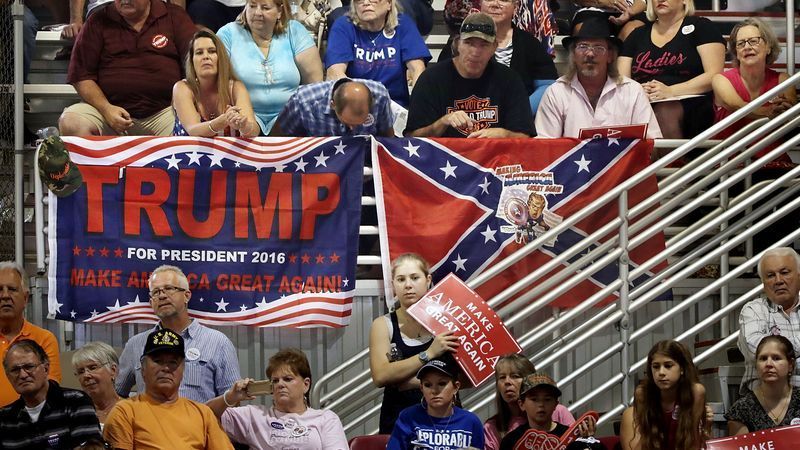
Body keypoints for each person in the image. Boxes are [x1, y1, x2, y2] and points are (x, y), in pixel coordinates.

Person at [59, 0, 195, 136]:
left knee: (194, 126)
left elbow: (196, 64)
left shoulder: (175, 16)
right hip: (108, 112)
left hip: (165, 112)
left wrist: (183, 97)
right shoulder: (98, 20)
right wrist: (106, 108)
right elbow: (81, 76)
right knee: (71, 122)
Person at [116, 265, 241, 403]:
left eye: (169, 288)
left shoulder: (218, 342)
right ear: (151, 302)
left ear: (186, 296)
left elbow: (233, 400)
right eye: (156, 292)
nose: (162, 296)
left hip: (200, 418)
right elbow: (116, 393)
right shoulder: (135, 344)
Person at [369, 253, 460, 433]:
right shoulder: (383, 324)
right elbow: (381, 375)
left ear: (428, 280)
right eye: (401, 279)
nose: (408, 285)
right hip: (398, 422)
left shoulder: (449, 320)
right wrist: (429, 354)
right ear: (393, 285)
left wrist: (411, 382)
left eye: (415, 278)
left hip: (446, 422)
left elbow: (468, 377)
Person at [405, 12, 534, 138]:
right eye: (469, 43)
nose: (475, 52)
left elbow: (524, 135)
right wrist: (443, 122)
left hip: (494, 152)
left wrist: (503, 134)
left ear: (494, 47)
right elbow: (412, 137)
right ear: (457, 44)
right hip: (444, 152)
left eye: (484, 45)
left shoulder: (509, 80)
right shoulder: (431, 79)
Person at [104, 329, 234, 449]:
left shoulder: (203, 414)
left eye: (173, 362)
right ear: (143, 368)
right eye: (158, 361)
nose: (166, 368)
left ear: (183, 370)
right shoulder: (124, 412)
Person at [536, 17, 661, 139]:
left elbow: (652, 143)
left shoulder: (633, 92)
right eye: (583, 46)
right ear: (573, 54)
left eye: (598, 48)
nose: (590, 54)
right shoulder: (556, 92)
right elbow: (545, 146)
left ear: (610, 56)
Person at [618, 0, 725, 140]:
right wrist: (638, 91)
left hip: (692, 102)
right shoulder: (637, 35)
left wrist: (670, 91)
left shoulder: (702, 27)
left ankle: (675, 156)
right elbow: (621, 80)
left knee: (665, 110)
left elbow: (714, 75)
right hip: (644, 101)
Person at [206, 348, 349, 449]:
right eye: (275, 380)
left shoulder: (326, 419)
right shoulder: (254, 416)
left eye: (287, 379)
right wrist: (230, 397)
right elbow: (203, 415)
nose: (280, 384)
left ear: (306, 385)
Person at [217, 0, 323, 134]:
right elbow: (216, 82)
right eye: (252, 6)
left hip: (291, 120)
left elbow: (314, 85)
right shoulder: (228, 33)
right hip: (242, 120)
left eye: (265, 8)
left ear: (280, 11)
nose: (257, 12)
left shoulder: (295, 31)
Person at [438, 0, 559, 116]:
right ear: (480, 3)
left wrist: (519, 112)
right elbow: (440, 84)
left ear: (516, 6)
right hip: (466, 118)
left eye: (504, 0)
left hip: (518, 121)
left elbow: (546, 85)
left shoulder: (530, 44)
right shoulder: (459, 42)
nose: (495, 4)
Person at [712, 18, 796, 161]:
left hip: (772, 161)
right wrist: (769, 112)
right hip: (729, 165)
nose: (747, 47)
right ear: (736, 52)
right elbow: (737, 106)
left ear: (768, 47)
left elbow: (790, 116)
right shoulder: (721, 80)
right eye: (740, 43)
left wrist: (786, 111)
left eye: (753, 41)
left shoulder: (783, 80)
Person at [325, 0, 431, 108]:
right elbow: (335, 74)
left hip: (395, 106)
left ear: (389, 4)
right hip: (356, 105)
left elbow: (417, 69)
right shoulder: (343, 25)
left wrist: (418, 108)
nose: (366, 2)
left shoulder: (403, 24)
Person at [0, 340, 102, 449]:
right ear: (8, 376)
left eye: (29, 367)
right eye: (15, 370)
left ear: (46, 368)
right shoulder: (4, 418)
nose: (23, 375)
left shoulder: (76, 402)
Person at [620, 340, 707, 450]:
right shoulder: (642, 393)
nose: (661, 372)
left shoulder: (696, 392)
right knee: (628, 414)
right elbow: (643, 443)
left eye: (668, 366)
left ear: (682, 369)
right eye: (656, 367)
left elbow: (692, 443)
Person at [172, 30, 260, 137]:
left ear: (220, 57)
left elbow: (254, 130)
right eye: (199, 52)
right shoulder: (182, 88)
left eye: (212, 51)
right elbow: (193, 130)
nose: (206, 56)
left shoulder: (235, 87)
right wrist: (222, 121)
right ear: (192, 61)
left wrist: (243, 125)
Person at [387, 355, 485, 450]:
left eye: (442, 383)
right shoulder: (408, 418)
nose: (434, 391)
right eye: (428, 385)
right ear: (421, 388)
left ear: (456, 387)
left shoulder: (471, 421)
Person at [738, 248, 800, 392]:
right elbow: (758, 351)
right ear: (763, 282)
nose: (778, 281)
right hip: (765, 399)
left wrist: (780, 350)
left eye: (785, 273)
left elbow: (771, 352)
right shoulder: (754, 310)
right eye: (771, 275)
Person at [0, 261, 61, 407]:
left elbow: (50, 391)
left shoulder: (44, 339)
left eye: (12, 289)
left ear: (26, 298)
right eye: (0, 289)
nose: (5, 295)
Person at [485, 354, 576, 450]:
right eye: (502, 377)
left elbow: (575, 441)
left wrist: (585, 435)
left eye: (515, 376)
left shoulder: (558, 411)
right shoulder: (492, 426)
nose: (507, 382)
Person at [499, 372, 601, 450]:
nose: (541, 404)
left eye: (547, 399)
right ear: (521, 404)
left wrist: (589, 443)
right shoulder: (511, 441)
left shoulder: (572, 437)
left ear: (556, 404)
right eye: (534, 399)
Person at [726, 335, 800, 434]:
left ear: (790, 364)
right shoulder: (742, 409)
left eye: (776, 358)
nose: (768, 364)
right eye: (763, 358)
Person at [272, 78, 395, 137]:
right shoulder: (303, 101)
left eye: (360, 123)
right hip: (318, 164)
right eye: (348, 123)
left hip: (363, 161)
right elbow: (278, 138)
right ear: (332, 105)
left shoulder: (380, 96)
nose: (352, 129)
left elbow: (387, 136)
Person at [72, 341, 121, 425]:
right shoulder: (75, 413)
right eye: (81, 372)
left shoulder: (132, 410)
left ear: (113, 370)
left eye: (93, 368)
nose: (86, 375)